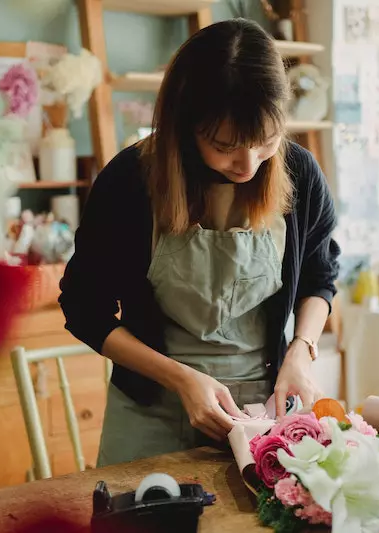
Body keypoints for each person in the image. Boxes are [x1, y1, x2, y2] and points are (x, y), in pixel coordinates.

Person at [58, 18, 341, 467]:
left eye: (265, 141)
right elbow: (83, 309)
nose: (247, 164)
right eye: (225, 144)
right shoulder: (131, 181)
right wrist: (181, 379)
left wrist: (301, 353)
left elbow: (319, 278)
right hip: (150, 407)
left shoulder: (301, 175)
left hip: (259, 412)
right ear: (186, 126)